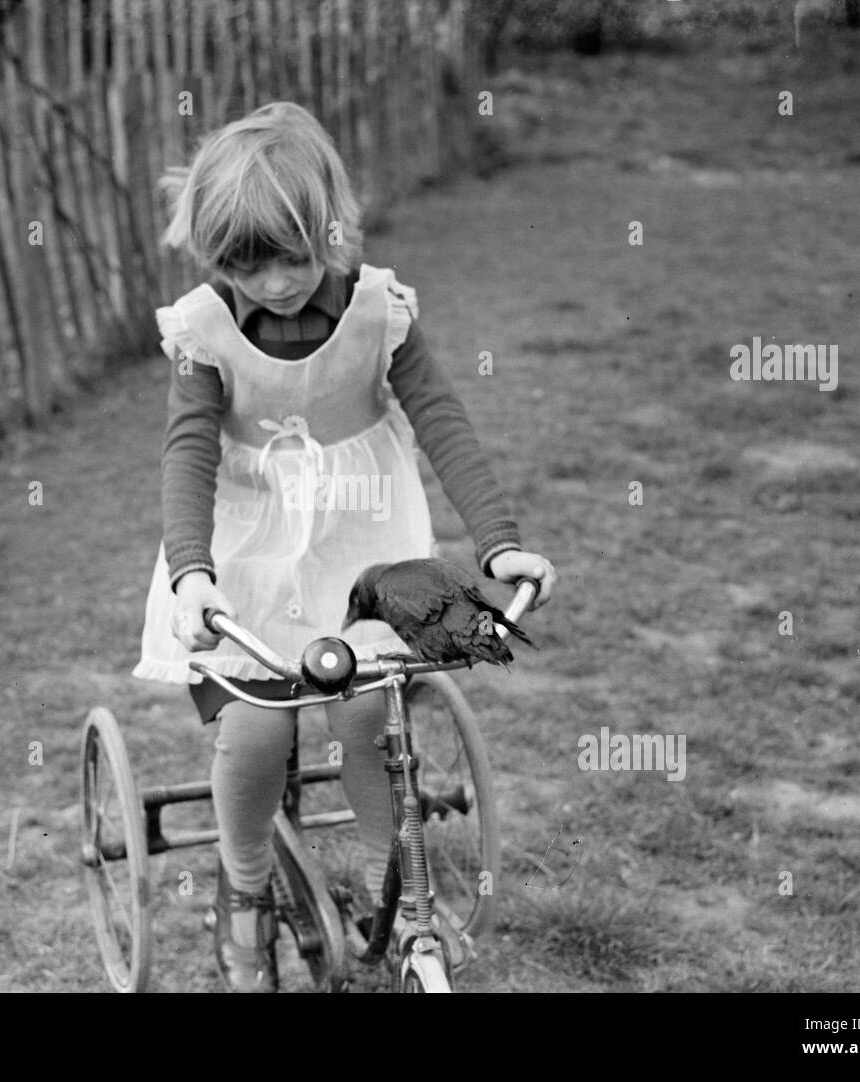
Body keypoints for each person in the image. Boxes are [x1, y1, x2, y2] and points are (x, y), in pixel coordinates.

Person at [132, 101, 556, 992]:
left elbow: (441, 418)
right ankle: (244, 891)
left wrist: (499, 546)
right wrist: (192, 574)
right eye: (243, 265)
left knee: (369, 709)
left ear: (326, 227)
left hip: (360, 539)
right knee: (254, 727)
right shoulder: (206, 329)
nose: (274, 283)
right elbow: (189, 455)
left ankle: (391, 889)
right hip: (245, 546)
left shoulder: (375, 308)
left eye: (288, 256)